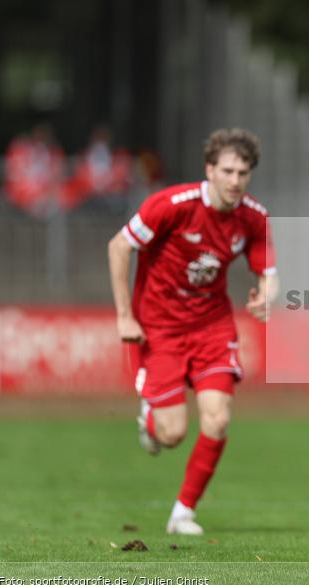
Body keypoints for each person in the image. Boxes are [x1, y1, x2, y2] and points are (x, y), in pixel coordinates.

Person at [107, 128, 277, 534]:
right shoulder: (171, 205)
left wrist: (266, 297)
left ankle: (183, 512)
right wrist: (123, 314)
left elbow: (268, 273)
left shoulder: (254, 216)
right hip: (161, 328)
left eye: (243, 172)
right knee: (172, 435)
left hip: (212, 326)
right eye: (228, 171)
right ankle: (151, 420)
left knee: (217, 420)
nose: (235, 180)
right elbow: (119, 246)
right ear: (210, 170)